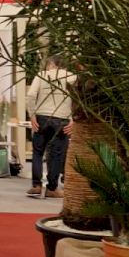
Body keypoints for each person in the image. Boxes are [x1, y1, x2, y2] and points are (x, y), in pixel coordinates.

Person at [26, 55, 75, 199]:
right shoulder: (72, 77)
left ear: (51, 64)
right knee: (57, 155)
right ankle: (52, 189)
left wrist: (32, 115)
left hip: (41, 117)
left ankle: (36, 185)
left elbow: (31, 95)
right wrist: (72, 119)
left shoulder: (41, 75)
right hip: (62, 119)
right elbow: (78, 99)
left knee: (38, 152)